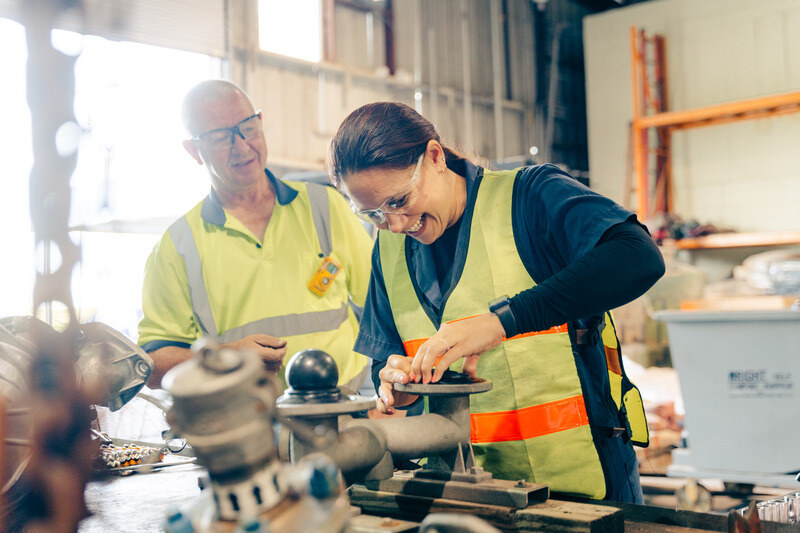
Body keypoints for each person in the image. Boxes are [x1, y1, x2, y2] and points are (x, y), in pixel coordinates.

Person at [327, 101, 665, 503]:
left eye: (399, 201)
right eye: (373, 213)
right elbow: (387, 357)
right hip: (459, 495)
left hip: (579, 492)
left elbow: (638, 256)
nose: (395, 225)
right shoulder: (388, 249)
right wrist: (397, 384)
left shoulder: (530, 198)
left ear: (435, 157)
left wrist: (503, 321)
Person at [138, 80, 373, 391]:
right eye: (221, 137)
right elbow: (152, 364)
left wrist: (385, 393)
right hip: (244, 423)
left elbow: (381, 305)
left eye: (247, 127)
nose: (242, 146)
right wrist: (228, 355)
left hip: (344, 408)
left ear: (260, 123)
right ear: (194, 150)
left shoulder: (325, 208)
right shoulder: (177, 248)